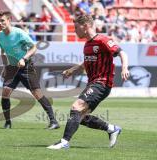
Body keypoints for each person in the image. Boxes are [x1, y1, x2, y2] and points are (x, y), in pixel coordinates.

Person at [47, 14, 129, 149]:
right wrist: (72, 70)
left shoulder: (102, 40)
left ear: (85, 26)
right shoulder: (87, 44)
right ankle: (112, 129)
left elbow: (122, 53)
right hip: (93, 83)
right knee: (80, 116)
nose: (75, 30)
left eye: (76, 27)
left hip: (102, 83)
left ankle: (64, 142)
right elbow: (86, 62)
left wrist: (124, 67)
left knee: (76, 107)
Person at [0, 11, 60, 129]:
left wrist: (23, 58)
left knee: (37, 94)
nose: (0, 23)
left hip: (26, 67)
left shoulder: (19, 33)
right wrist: (5, 66)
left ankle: (53, 121)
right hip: (12, 68)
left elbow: (34, 47)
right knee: (5, 93)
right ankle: (8, 122)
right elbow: (2, 51)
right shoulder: (0, 36)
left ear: (9, 21)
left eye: (2, 20)